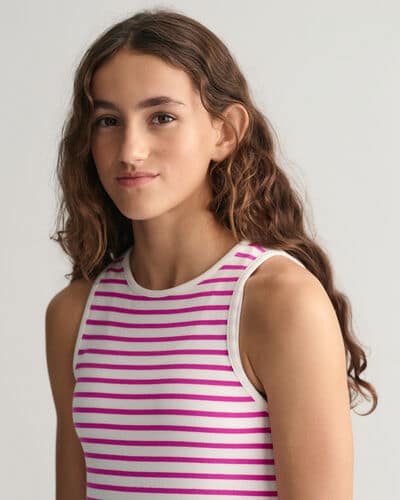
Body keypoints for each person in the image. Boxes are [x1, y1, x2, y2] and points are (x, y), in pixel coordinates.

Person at [45, 8, 377, 500]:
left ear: (225, 131)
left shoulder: (279, 302)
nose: (130, 150)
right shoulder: (75, 314)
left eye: (161, 117)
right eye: (108, 121)